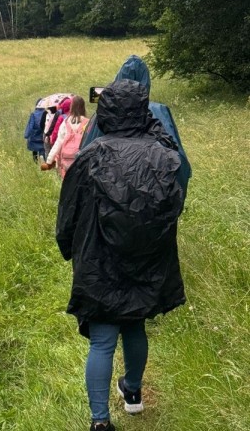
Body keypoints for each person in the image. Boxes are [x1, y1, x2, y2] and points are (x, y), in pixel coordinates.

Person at [55, 79, 186, 431]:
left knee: (102, 340)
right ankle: (133, 391)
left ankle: (100, 421)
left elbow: (68, 211)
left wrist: (67, 247)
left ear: (107, 112)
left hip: (98, 259)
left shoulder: (90, 156)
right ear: (143, 112)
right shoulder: (163, 156)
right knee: (135, 324)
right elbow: (175, 206)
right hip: (147, 258)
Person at [80, 55, 191, 198]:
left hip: (104, 197)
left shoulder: (101, 114)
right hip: (153, 198)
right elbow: (178, 161)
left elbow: (85, 156)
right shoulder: (158, 111)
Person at [45, 95, 88, 179]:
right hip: (81, 159)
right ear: (83, 107)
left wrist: (49, 160)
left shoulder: (66, 122)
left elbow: (58, 143)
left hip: (66, 160)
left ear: (72, 107)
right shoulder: (88, 122)